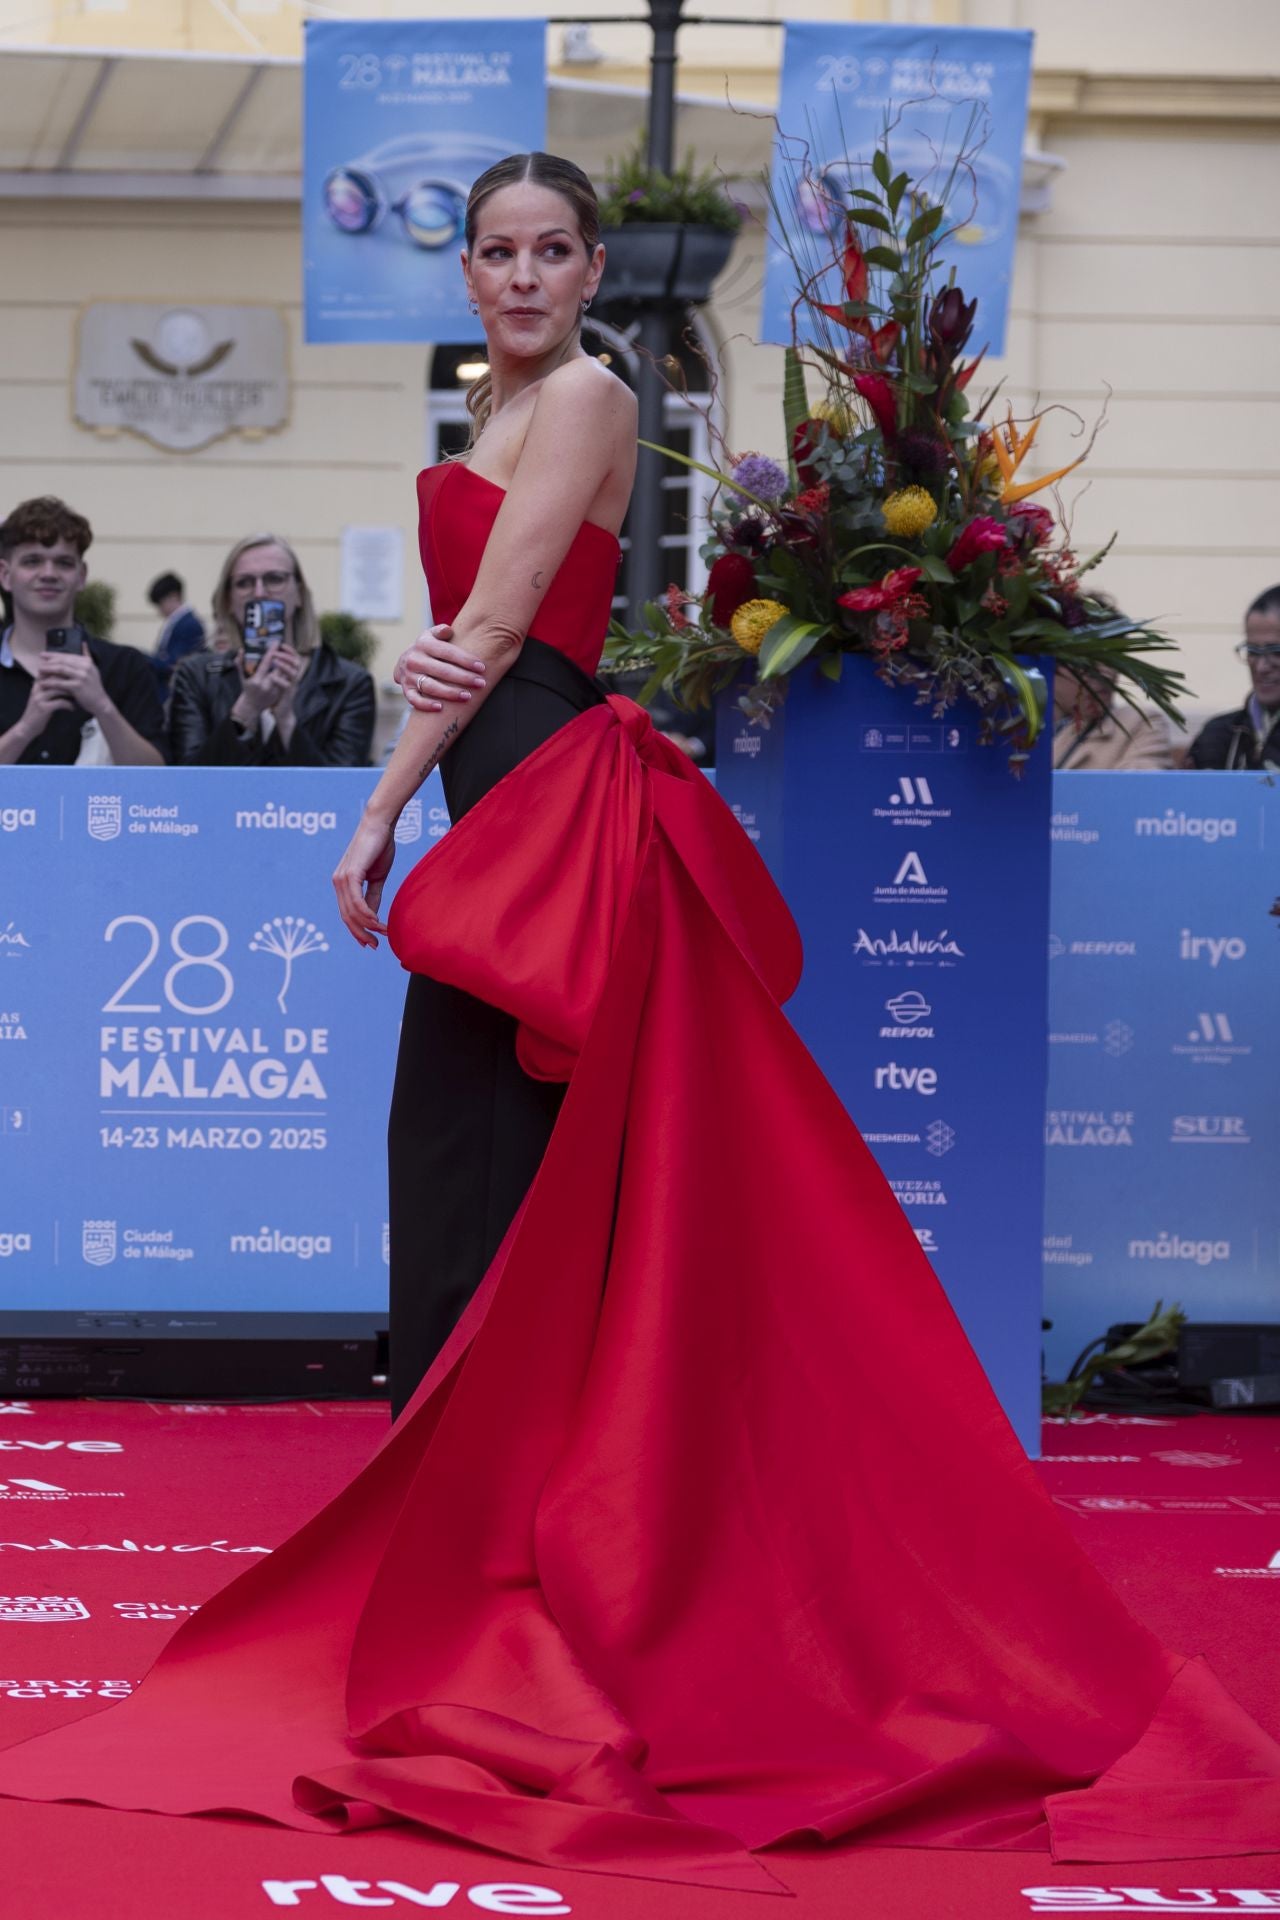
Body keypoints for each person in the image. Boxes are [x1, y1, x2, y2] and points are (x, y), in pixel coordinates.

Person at [1, 151, 1277, 1889]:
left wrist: (371, 821)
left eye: (550, 252)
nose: (521, 279)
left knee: (509, 1208)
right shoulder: (494, 399)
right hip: (508, 818)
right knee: (479, 1210)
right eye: (495, 253)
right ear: (466, 274)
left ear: (595, 264)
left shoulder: (593, 392)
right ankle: (472, 1591)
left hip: (541, 821)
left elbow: (488, 634)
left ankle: (519, 1606)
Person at [167, 533, 374, 766]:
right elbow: (190, 784)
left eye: (274, 579)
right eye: (244, 583)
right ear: (229, 600)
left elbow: (340, 791)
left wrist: (286, 720)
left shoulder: (348, 683)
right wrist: (247, 709)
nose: (259, 593)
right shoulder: (196, 677)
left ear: (299, 594)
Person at [0, 495, 164, 767]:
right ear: (5, 575)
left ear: (82, 575)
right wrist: (26, 728)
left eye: (64, 563)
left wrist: (102, 706)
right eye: (32, 561)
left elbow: (157, 780)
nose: (49, 573)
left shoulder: (125, 668)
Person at [1186, 584, 1280, 769]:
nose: (1261, 667)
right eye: (1252, 651)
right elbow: (1186, 796)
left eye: (1276, 651)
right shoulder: (1218, 735)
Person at [1052, 662, 1173, 769]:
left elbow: (1138, 783)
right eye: (1083, 666)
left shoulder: (1141, 724)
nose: (1107, 674)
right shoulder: (1056, 727)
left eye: (1110, 663)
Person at [146, 569, 206, 700]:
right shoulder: (178, 622)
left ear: (174, 596)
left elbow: (175, 664)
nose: (159, 610)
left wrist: (146, 659)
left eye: (160, 604)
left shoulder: (189, 624)